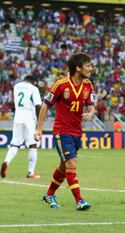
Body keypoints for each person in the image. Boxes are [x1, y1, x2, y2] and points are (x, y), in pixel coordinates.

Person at [34, 53, 95, 211]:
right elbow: (46, 105)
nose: (91, 69)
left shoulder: (88, 85)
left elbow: (91, 104)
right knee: (71, 163)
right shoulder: (60, 85)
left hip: (76, 132)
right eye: (88, 66)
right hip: (62, 131)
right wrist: (39, 129)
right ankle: (79, 200)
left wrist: (91, 112)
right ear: (78, 68)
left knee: (64, 166)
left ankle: (49, 194)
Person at [1, 75, 42, 179]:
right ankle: (30, 172)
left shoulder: (17, 86)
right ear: (34, 82)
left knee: (15, 144)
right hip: (29, 118)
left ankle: (6, 162)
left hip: (18, 117)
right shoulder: (34, 88)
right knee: (33, 145)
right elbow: (38, 106)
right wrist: (38, 123)